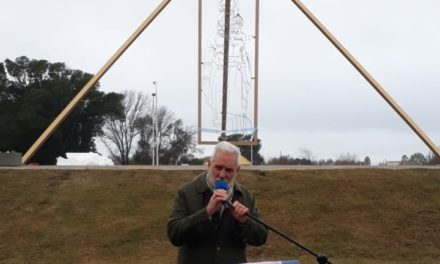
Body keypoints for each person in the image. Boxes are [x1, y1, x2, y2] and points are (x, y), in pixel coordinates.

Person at [167, 141, 268, 264]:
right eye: (218, 167)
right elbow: (174, 235)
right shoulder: (187, 192)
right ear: (209, 165)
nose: (222, 175)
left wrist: (244, 222)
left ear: (237, 171)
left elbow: (261, 237)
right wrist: (207, 212)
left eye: (229, 170)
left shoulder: (245, 196)